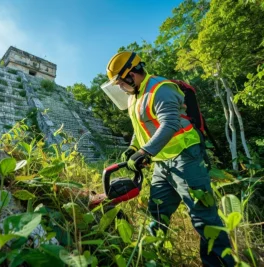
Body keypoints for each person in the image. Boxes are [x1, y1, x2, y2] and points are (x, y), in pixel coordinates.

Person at [100, 51, 234, 267]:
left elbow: (170, 123)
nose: (119, 88)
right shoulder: (135, 97)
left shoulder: (160, 89)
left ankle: (219, 263)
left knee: (204, 217)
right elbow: (141, 126)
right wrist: (134, 147)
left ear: (130, 75)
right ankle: (153, 256)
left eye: (119, 83)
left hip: (186, 158)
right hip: (162, 163)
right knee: (158, 211)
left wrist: (145, 153)